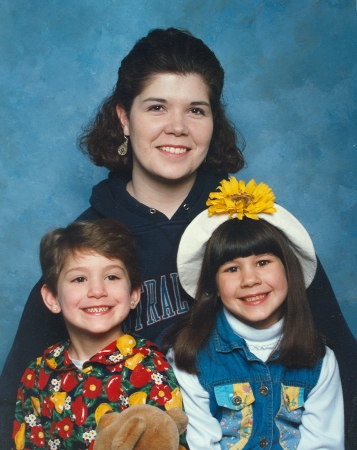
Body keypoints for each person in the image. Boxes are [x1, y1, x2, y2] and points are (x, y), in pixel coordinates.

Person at [0, 28, 355, 448]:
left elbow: (342, 373)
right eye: (157, 107)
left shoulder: (254, 232)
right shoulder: (88, 248)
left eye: (196, 110)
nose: (178, 128)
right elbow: (17, 403)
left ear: (213, 122)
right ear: (123, 118)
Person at [165, 177, 344, 449]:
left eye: (262, 262)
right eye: (232, 269)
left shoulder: (319, 359)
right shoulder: (189, 357)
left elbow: (325, 444)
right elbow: (201, 443)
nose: (249, 280)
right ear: (213, 284)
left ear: (288, 269)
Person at [12, 219, 186, 449]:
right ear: (53, 299)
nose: (97, 291)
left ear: (134, 294)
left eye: (111, 277)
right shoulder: (38, 374)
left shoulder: (148, 367)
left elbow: (166, 440)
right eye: (79, 279)